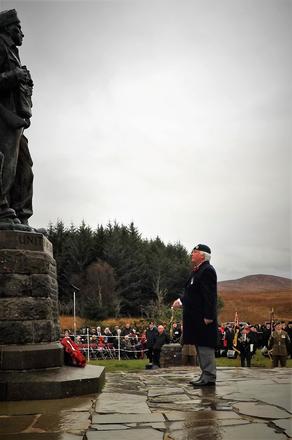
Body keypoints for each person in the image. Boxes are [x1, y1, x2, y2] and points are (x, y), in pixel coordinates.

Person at [0, 9, 34, 226]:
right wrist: (14, 76)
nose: (22, 33)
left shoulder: (12, 51)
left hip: (16, 120)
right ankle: (2, 211)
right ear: (8, 28)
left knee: (24, 167)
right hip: (3, 117)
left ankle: (21, 216)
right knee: (5, 164)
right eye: (19, 28)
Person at [173, 244, 217, 387]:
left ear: (202, 255)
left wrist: (209, 316)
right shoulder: (197, 271)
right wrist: (181, 300)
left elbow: (210, 296)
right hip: (196, 319)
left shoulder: (207, 271)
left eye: (195, 252)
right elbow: (192, 294)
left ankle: (209, 376)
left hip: (204, 318)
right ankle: (205, 374)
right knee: (200, 346)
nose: (192, 253)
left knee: (205, 346)